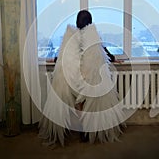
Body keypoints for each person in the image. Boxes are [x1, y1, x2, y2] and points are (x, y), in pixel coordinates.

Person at [38, 10, 126, 146]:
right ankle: (86, 131)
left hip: (74, 75)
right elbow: (101, 50)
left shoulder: (71, 35)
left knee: (79, 103)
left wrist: (54, 59)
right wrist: (113, 58)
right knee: (87, 103)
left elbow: (65, 55)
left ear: (77, 22)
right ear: (89, 21)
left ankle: (82, 130)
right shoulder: (92, 34)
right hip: (88, 75)